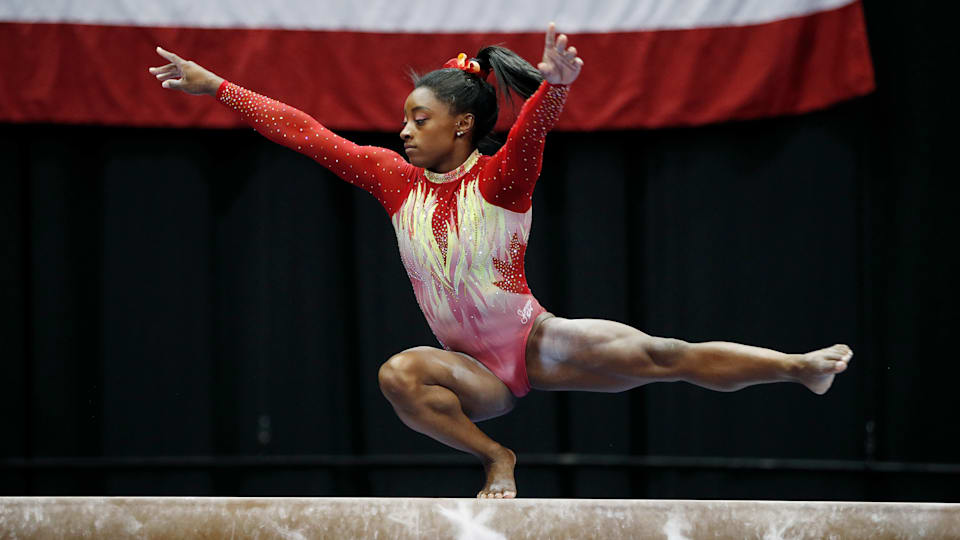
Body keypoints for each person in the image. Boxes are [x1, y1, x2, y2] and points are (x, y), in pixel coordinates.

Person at [149, 22, 853, 499]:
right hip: (474, 373)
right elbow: (307, 134)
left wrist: (558, 86)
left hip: (535, 343)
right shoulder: (393, 180)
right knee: (400, 373)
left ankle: (797, 369)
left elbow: (535, 129)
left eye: (417, 119)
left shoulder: (502, 179)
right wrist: (218, 87)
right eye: (403, 120)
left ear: (461, 124)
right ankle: (496, 457)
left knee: (667, 355)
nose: (403, 130)